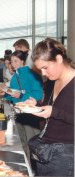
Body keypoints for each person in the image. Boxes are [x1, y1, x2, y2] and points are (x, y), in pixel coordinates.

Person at [24, 38, 74, 176]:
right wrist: (37, 105)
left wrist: (55, 112)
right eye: (41, 70)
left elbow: (58, 111)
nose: (44, 74)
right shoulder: (53, 81)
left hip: (65, 155)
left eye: (45, 68)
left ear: (58, 58)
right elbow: (53, 107)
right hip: (46, 151)